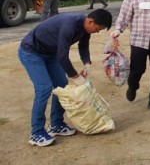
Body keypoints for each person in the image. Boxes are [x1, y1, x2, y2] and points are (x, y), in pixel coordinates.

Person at [18, 9, 112, 147]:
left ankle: (56, 124)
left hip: (50, 53)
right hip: (31, 52)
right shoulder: (69, 25)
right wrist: (75, 76)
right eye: (98, 28)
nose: (97, 32)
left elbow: (83, 45)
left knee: (61, 84)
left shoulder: (86, 28)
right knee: (44, 88)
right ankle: (36, 132)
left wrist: (86, 63)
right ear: (91, 21)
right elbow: (62, 56)